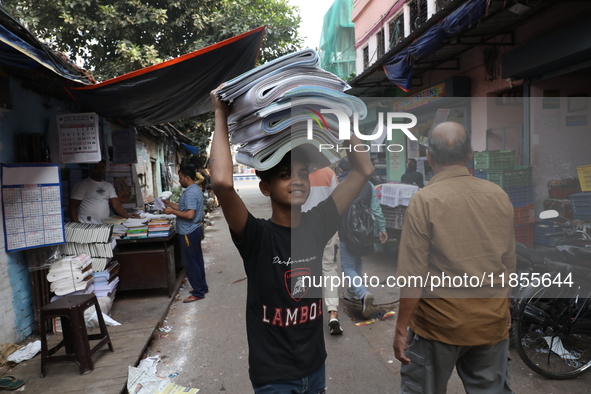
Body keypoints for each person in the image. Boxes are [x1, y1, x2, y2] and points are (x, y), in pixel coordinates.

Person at [210, 86, 374, 392]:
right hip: (274, 378)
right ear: (265, 188)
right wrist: (220, 114)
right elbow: (221, 183)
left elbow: (363, 169)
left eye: (302, 173)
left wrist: (341, 114)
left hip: (315, 369)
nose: (297, 179)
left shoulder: (318, 223)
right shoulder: (256, 236)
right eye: (285, 174)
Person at [393, 122, 515, 393]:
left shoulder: (424, 200)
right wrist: (505, 305)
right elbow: (508, 262)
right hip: (490, 323)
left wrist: (401, 328)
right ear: (470, 154)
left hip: (438, 326)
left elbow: (413, 274)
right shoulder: (499, 196)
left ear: (429, 156)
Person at [337, 158, 388, 319]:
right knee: (357, 259)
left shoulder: (338, 183)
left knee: (347, 267)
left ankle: (362, 292)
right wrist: (382, 228)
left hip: (346, 232)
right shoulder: (368, 184)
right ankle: (354, 290)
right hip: (364, 232)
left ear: (341, 170)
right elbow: (376, 209)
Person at [301, 166, 343, 335]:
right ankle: (333, 313)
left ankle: (307, 314)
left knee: (304, 269)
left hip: (303, 227)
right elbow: (338, 201)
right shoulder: (329, 173)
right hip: (327, 228)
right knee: (329, 269)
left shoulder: (297, 172)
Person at [163, 165, 208, 303]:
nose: (179, 180)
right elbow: (184, 208)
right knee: (197, 260)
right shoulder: (194, 189)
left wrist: (172, 212)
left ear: (187, 178)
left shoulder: (190, 192)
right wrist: (169, 204)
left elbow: (189, 214)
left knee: (191, 263)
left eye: (181, 178)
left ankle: (198, 292)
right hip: (193, 229)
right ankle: (202, 287)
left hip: (189, 231)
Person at [69, 160, 139, 223]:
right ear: (91, 169)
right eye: (96, 167)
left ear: (105, 169)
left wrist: (127, 216)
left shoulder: (108, 186)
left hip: (103, 225)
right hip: (86, 224)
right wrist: (77, 224)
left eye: (102, 168)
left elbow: (116, 205)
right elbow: (72, 206)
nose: (99, 170)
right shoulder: (82, 184)